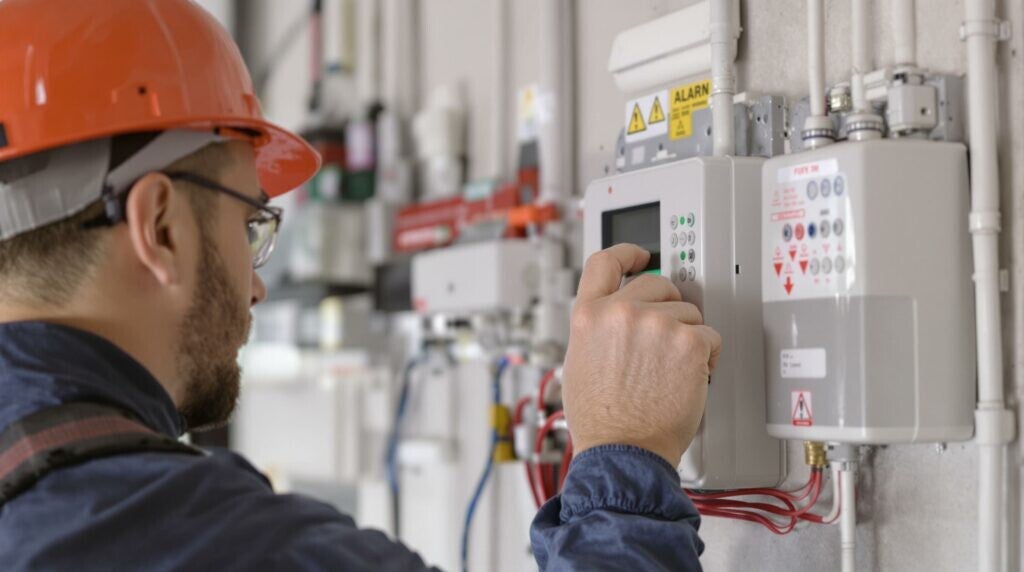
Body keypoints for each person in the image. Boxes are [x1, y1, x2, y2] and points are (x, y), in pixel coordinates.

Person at [0, 1, 721, 570]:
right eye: (250, 225)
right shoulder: (188, 536)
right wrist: (626, 458)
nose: (256, 286)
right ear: (159, 227)